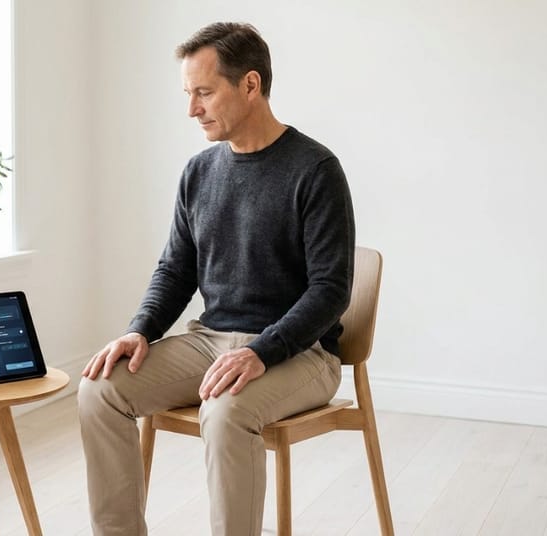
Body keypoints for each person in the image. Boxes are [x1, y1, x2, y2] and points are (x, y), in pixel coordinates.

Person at [78, 21, 355, 536]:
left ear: (250, 85)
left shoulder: (315, 169)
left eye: (204, 92)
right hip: (210, 342)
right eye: (188, 94)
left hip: (301, 354)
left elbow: (330, 290)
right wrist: (139, 330)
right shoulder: (199, 172)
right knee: (99, 391)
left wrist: (260, 352)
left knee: (225, 412)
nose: (192, 109)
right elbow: (176, 270)